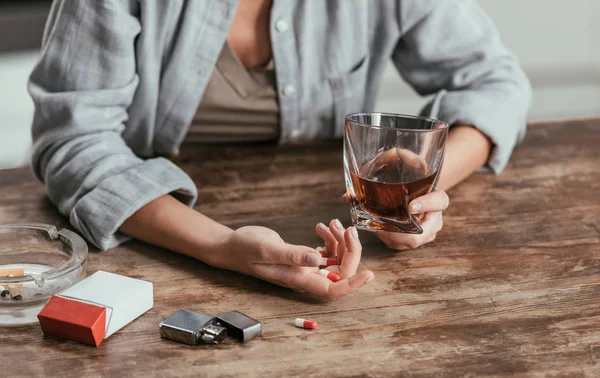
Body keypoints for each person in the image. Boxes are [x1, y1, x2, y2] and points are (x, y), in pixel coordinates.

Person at [28, 0, 531, 299]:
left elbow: (496, 83)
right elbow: (74, 140)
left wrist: (416, 196)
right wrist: (222, 248)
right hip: (151, 251)